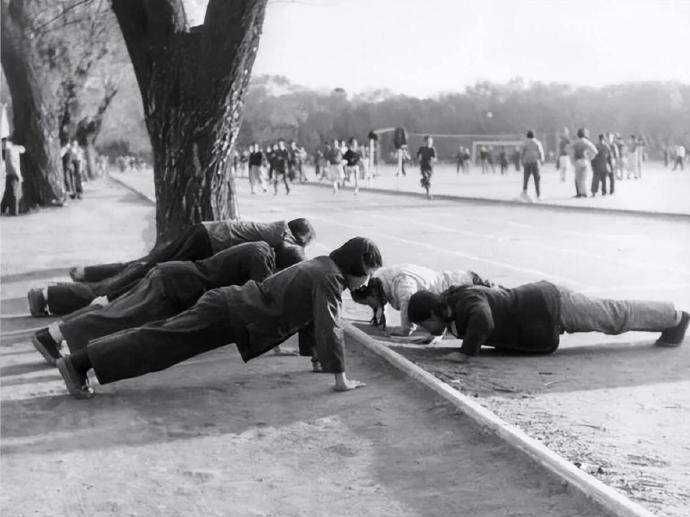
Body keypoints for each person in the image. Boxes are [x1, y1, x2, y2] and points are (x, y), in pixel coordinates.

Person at [54, 237, 383, 399]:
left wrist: (317, 360)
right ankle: (78, 364)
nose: (366, 282)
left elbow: (312, 319)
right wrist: (340, 379)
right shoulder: (329, 279)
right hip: (230, 312)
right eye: (367, 273)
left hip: (230, 309)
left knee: (160, 338)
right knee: (160, 343)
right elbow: (329, 326)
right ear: (353, 266)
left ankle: (80, 361)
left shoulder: (323, 266)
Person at [31, 242, 303, 366]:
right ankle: (51, 337)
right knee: (118, 318)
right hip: (174, 286)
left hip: (174, 280)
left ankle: (52, 334)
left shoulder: (260, 249)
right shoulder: (261, 257)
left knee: (116, 314)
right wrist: (277, 345)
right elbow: (260, 302)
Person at [29, 219, 316, 316]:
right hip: (207, 241)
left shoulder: (273, 229)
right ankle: (74, 299)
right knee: (141, 279)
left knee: (142, 269)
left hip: (205, 232)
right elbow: (297, 260)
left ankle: (51, 296)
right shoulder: (286, 237)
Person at [407, 282, 689, 362]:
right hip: (542, 313)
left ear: (433, 315)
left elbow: (482, 319)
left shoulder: (465, 301)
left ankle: (675, 317)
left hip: (551, 304)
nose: (424, 329)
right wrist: (436, 336)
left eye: (424, 325)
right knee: (613, 318)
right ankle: (670, 322)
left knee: (613, 316)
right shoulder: (450, 308)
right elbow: (461, 323)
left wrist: (466, 353)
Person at [351, 264, 496, 339]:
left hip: (466, 285)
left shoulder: (400, 282)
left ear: (373, 293)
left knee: (491, 314)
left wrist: (405, 329)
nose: (370, 306)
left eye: (368, 302)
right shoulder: (382, 281)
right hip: (459, 284)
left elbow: (407, 301)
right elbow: (380, 304)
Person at [0, 136, 25, 216]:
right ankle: (12, 212)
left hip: (12, 174)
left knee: (9, 193)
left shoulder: (10, 150)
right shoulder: (9, 150)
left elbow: (22, 150)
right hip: (13, 174)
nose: (2, 146)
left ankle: (5, 210)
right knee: (12, 194)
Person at [570, 128, 598, 198]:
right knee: (584, 178)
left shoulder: (575, 143)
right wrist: (590, 157)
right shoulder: (587, 142)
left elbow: (569, 151)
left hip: (577, 161)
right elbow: (595, 151)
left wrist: (573, 161)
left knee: (578, 178)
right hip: (585, 161)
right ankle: (585, 193)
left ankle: (579, 193)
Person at [521, 130, 544, 201]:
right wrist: (542, 160)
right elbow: (540, 152)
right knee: (536, 179)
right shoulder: (537, 142)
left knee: (526, 178)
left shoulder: (525, 142)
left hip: (527, 162)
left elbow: (523, 152)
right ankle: (538, 195)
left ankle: (524, 192)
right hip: (535, 162)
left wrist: (522, 160)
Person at [416, 135, 437, 200]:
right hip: (423, 166)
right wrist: (418, 158)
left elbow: (435, 158)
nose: (429, 142)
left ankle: (423, 182)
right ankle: (428, 194)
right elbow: (418, 155)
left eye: (430, 141)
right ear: (425, 141)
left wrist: (433, 160)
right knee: (426, 179)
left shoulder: (432, 149)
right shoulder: (422, 148)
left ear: (432, 142)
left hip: (430, 167)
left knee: (427, 181)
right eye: (428, 141)